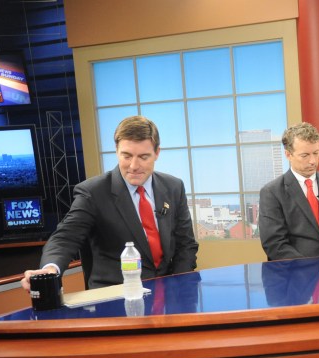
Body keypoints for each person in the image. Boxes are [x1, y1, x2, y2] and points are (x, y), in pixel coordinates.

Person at [21, 115, 198, 291]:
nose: (134, 166)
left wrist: (178, 285)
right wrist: (50, 269)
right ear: (116, 151)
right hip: (115, 296)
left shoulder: (173, 187)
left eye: (143, 157)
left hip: (168, 292)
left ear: (157, 153)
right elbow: (66, 237)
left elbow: (186, 245)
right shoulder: (93, 192)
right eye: (126, 156)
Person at [259, 122, 319, 260]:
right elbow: (274, 245)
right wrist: (307, 267)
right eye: (305, 155)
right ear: (288, 154)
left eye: (316, 153)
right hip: (295, 270)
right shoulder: (271, 193)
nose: (312, 161)